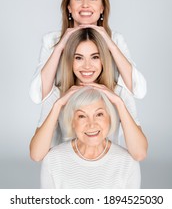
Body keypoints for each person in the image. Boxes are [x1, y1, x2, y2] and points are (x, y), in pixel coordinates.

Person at [30, 28, 148, 162]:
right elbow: (36, 155)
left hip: (108, 169)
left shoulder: (119, 92)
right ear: (70, 60)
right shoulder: (57, 94)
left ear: (103, 60)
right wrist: (58, 105)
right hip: (69, 170)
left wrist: (119, 103)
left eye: (95, 57)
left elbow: (140, 153)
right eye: (79, 58)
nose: (87, 66)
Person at [29, 0, 146, 104]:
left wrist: (110, 44)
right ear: (69, 7)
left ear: (102, 8)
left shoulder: (115, 39)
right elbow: (37, 96)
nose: (85, 5)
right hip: (61, 121)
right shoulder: (52, 40)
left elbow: (139, 91)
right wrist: (60, 46)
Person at [40, 87, 141, 189]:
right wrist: (57, 104)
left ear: (109, 118)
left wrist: (119, 102)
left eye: (99, 114)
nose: (91, 124)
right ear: (72, 122)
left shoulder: (127, 162)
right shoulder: (53, 159)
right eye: (82, 116)